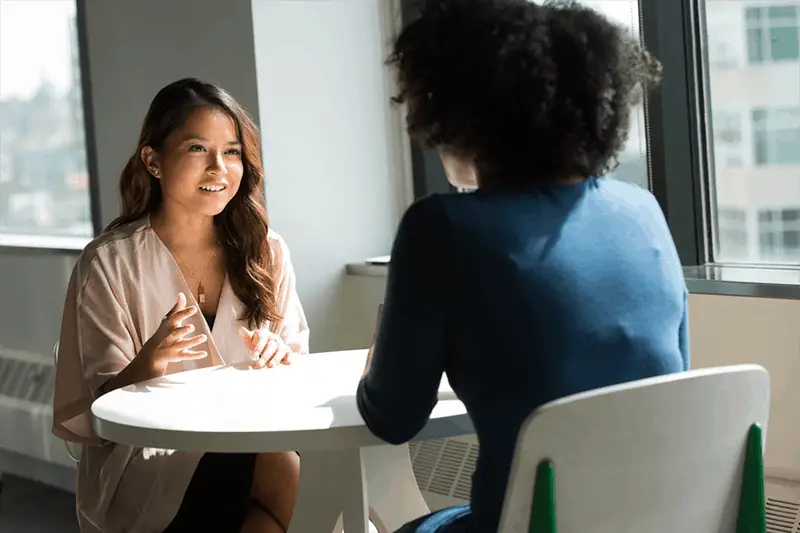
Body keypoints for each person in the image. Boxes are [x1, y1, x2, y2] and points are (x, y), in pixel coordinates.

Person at [356, 1, 687, 532]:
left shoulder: (441, 227)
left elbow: (392, 418)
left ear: (459, 112)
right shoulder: (643, 212)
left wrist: (378, 366)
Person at [52, 78, 309, 533]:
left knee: (285, 462)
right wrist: (145, 367)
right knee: (275, 470)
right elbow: (96, 412)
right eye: (197, 149)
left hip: (254, 441)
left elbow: (297, 367)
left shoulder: (267, 250)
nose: (220, 168)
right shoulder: (109, 263)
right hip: (148, 460)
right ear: (153, 160)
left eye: (232, 152)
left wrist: (279, 355)